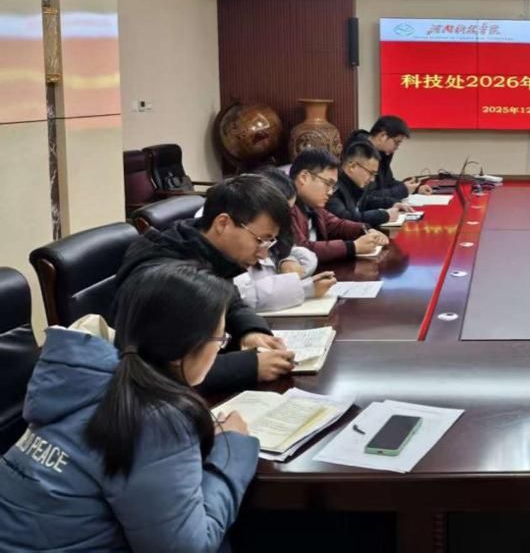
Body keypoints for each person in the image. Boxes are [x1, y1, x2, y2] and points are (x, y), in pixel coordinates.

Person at [0, 263, 260, 552]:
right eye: (220, 339)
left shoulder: (78, 378)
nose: (220, 346)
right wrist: (231, 450)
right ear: (184, 347)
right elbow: (187, 548)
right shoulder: (157, 418)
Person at [114, 174, 296, 392]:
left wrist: (250, 331)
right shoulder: (169, 276)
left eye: (269, 243)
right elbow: (153, 369)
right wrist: (249, 366)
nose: (263, 254)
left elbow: (229, 299)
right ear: (223, 223)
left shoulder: (202, 247)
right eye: (261, 240)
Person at [235, 167, 337, 312]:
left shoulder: (273, 231)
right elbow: (245, 295)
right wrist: (305, 288)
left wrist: (287, 260)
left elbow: (298, 252)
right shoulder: (240, 232)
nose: (285, 218)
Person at [289, 147, 389, 264]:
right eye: (328, 183)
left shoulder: (314, 207)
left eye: (333, 186)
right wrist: (353, 247)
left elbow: (338, 225)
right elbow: (301, 250)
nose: (331, 192)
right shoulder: (286, 205)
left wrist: (366, 230)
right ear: (304, 178)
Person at [345, 115, 432, 209]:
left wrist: (414, 188)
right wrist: (402, 190)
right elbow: (366, 197)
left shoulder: (382, 153)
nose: (397, 147)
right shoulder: (359, 153)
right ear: (382, 136)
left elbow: (388, 182)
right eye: (396, 142)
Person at [327, 140, 406, 228]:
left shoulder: (353, 184)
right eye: (371, 173)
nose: (372, 179)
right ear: (352, 166)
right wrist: (384, 216)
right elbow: (345, 219)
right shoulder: (333, 187)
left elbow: (367, 201)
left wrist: (392, 203)